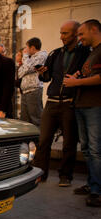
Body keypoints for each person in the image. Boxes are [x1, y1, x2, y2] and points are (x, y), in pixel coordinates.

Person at [34, 20, 91, 187]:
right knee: (44, 140)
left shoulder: (85, 54)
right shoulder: (55, 53)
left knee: (69, 142)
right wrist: (42, 73)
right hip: (51, 102)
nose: (61, 37)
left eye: (65, 33)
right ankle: (40, 173)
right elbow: (47, 78)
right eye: (60, 33)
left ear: (75, 34)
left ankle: (65, 176)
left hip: (70, 103)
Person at [63, 19, 101, 207]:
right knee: (86, 148)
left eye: (81, 34)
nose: (79, 38)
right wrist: (78, 77)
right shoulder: (92, 53)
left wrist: (76, 83)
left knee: (95, 149)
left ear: (94, 29)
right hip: (82, 105)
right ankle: (92, 184)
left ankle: (98, 190)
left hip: (95, 106)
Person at [17, 37, 48, 127]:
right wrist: (26, 66)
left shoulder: (41, 56)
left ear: (33, 48)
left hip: (34, 90)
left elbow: (26, 68)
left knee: (35, 118)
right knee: (25, 119)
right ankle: (28, 140)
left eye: (26, 48)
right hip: (25, 91)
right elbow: (20, 73)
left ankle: (39, 140)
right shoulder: (30, 59)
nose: (25, 50)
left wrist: (25, 56)